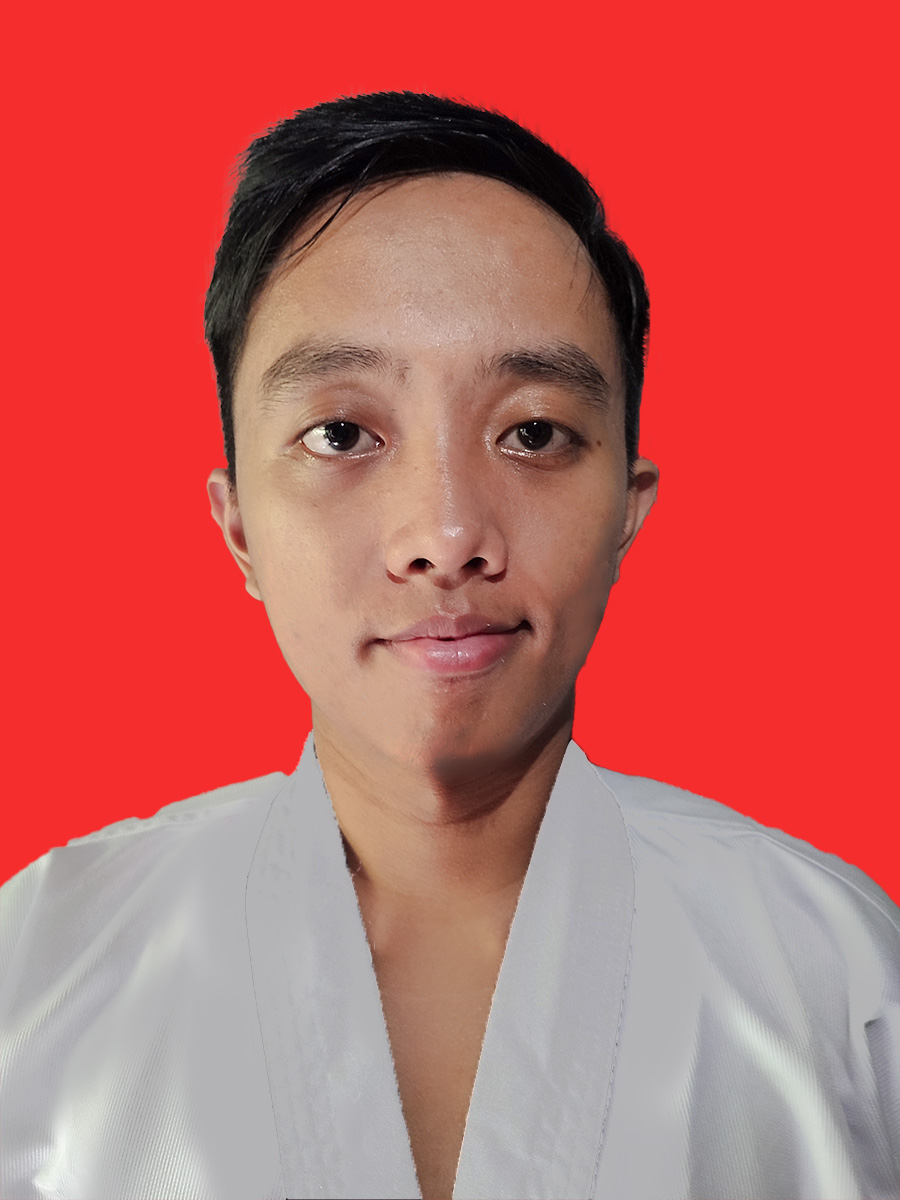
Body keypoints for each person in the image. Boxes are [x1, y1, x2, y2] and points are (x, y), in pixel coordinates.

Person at [1, 92, 897, 1200]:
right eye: (342, 433)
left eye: (534, 432)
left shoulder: (843, 982)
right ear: (239, 530)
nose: (446, 534)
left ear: (626, 510)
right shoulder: (41, 968)